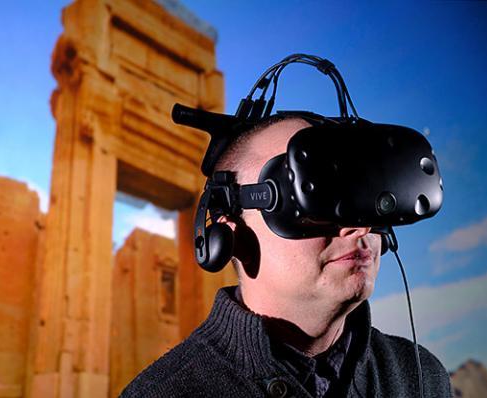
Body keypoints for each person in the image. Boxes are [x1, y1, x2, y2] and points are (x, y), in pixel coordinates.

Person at [121, 116, 452, 397]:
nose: (357, 226)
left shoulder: (423, 378)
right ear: (230, 234)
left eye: (359, 195)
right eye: (310, 201)